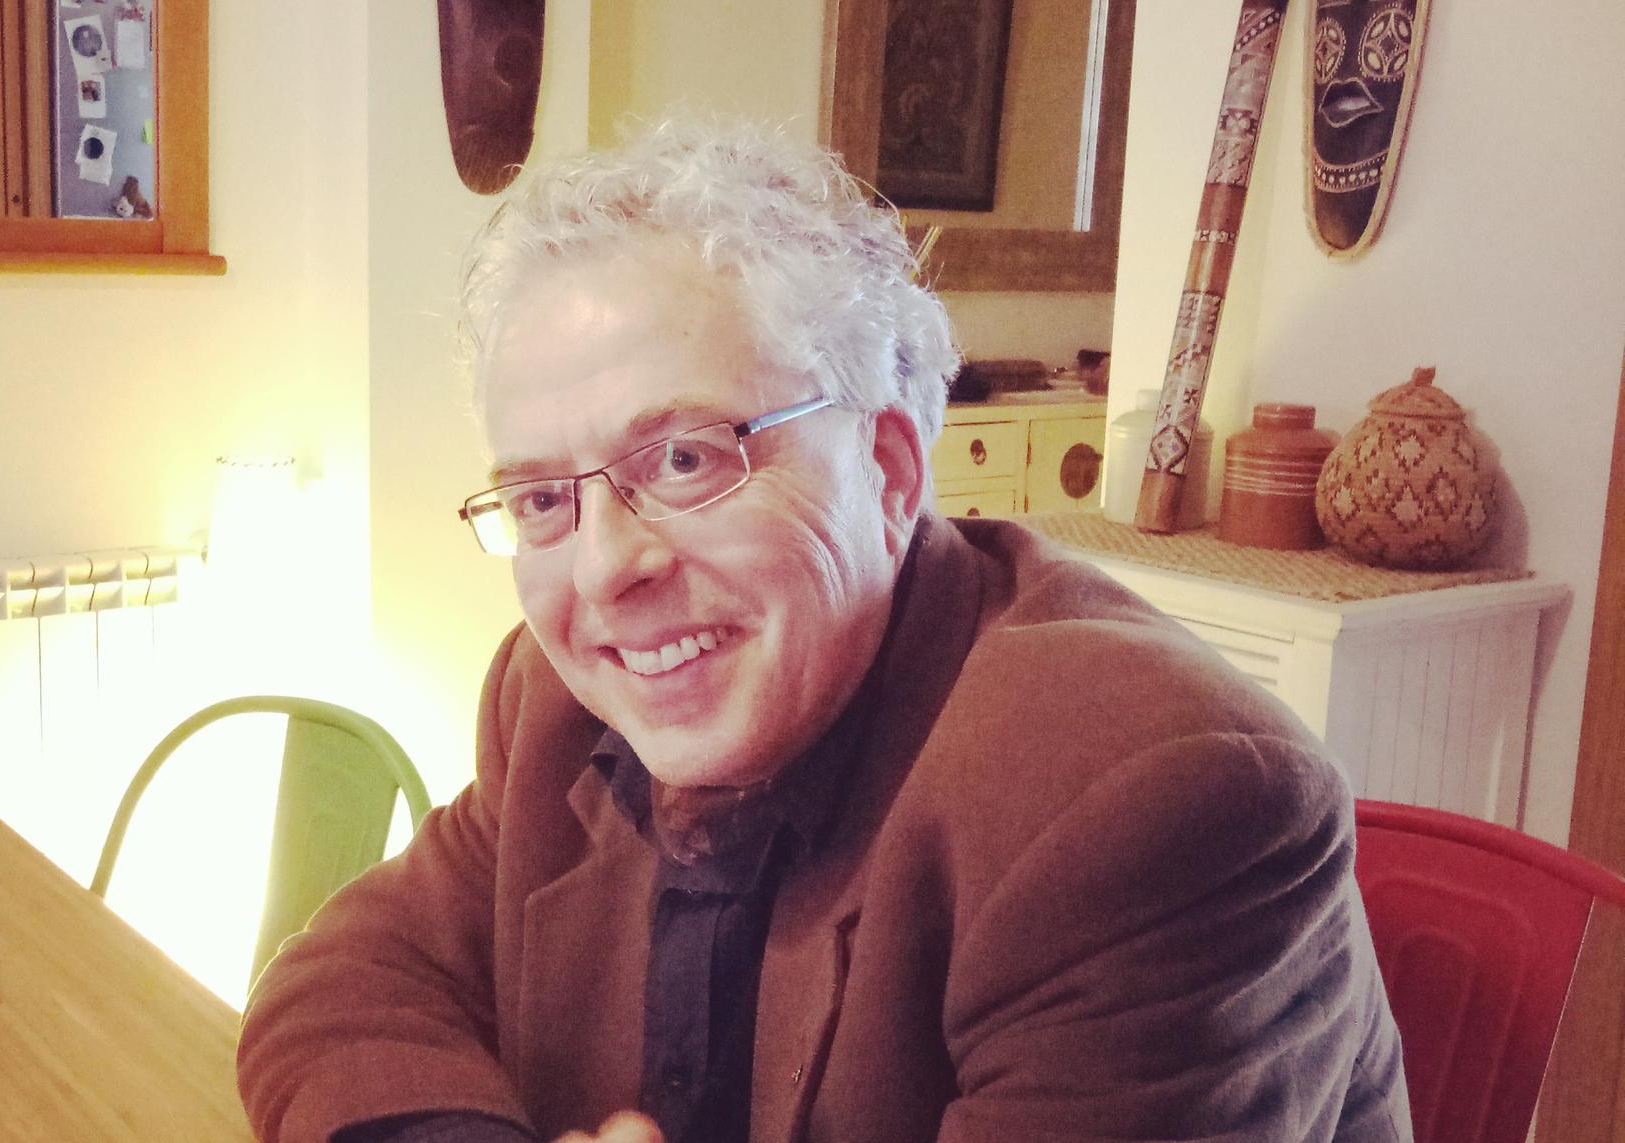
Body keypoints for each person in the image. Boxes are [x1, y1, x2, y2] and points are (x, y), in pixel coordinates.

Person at [237, 119, 1410, 1143]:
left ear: (888, 470)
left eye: (684, 459)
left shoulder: (1150, 805)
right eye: (543, 499)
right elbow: (339, 980)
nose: (602, 570)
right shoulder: (553, 703)